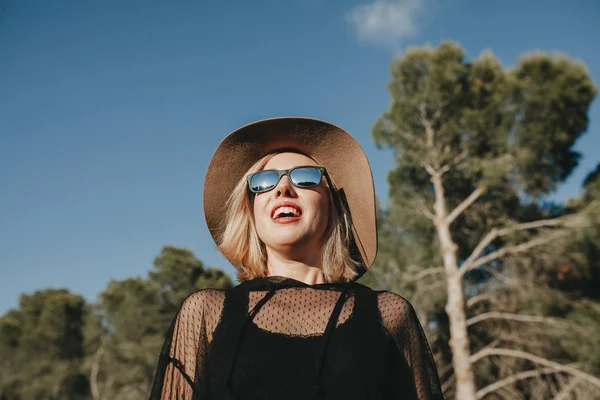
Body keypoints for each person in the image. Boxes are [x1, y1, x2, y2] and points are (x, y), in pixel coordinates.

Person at [148, 117, 444, 400]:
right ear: (250, 212)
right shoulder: (206, 314)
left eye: (305, 177)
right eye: (263, 182)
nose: (283, 189)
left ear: (334, 207)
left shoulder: (388, 314)